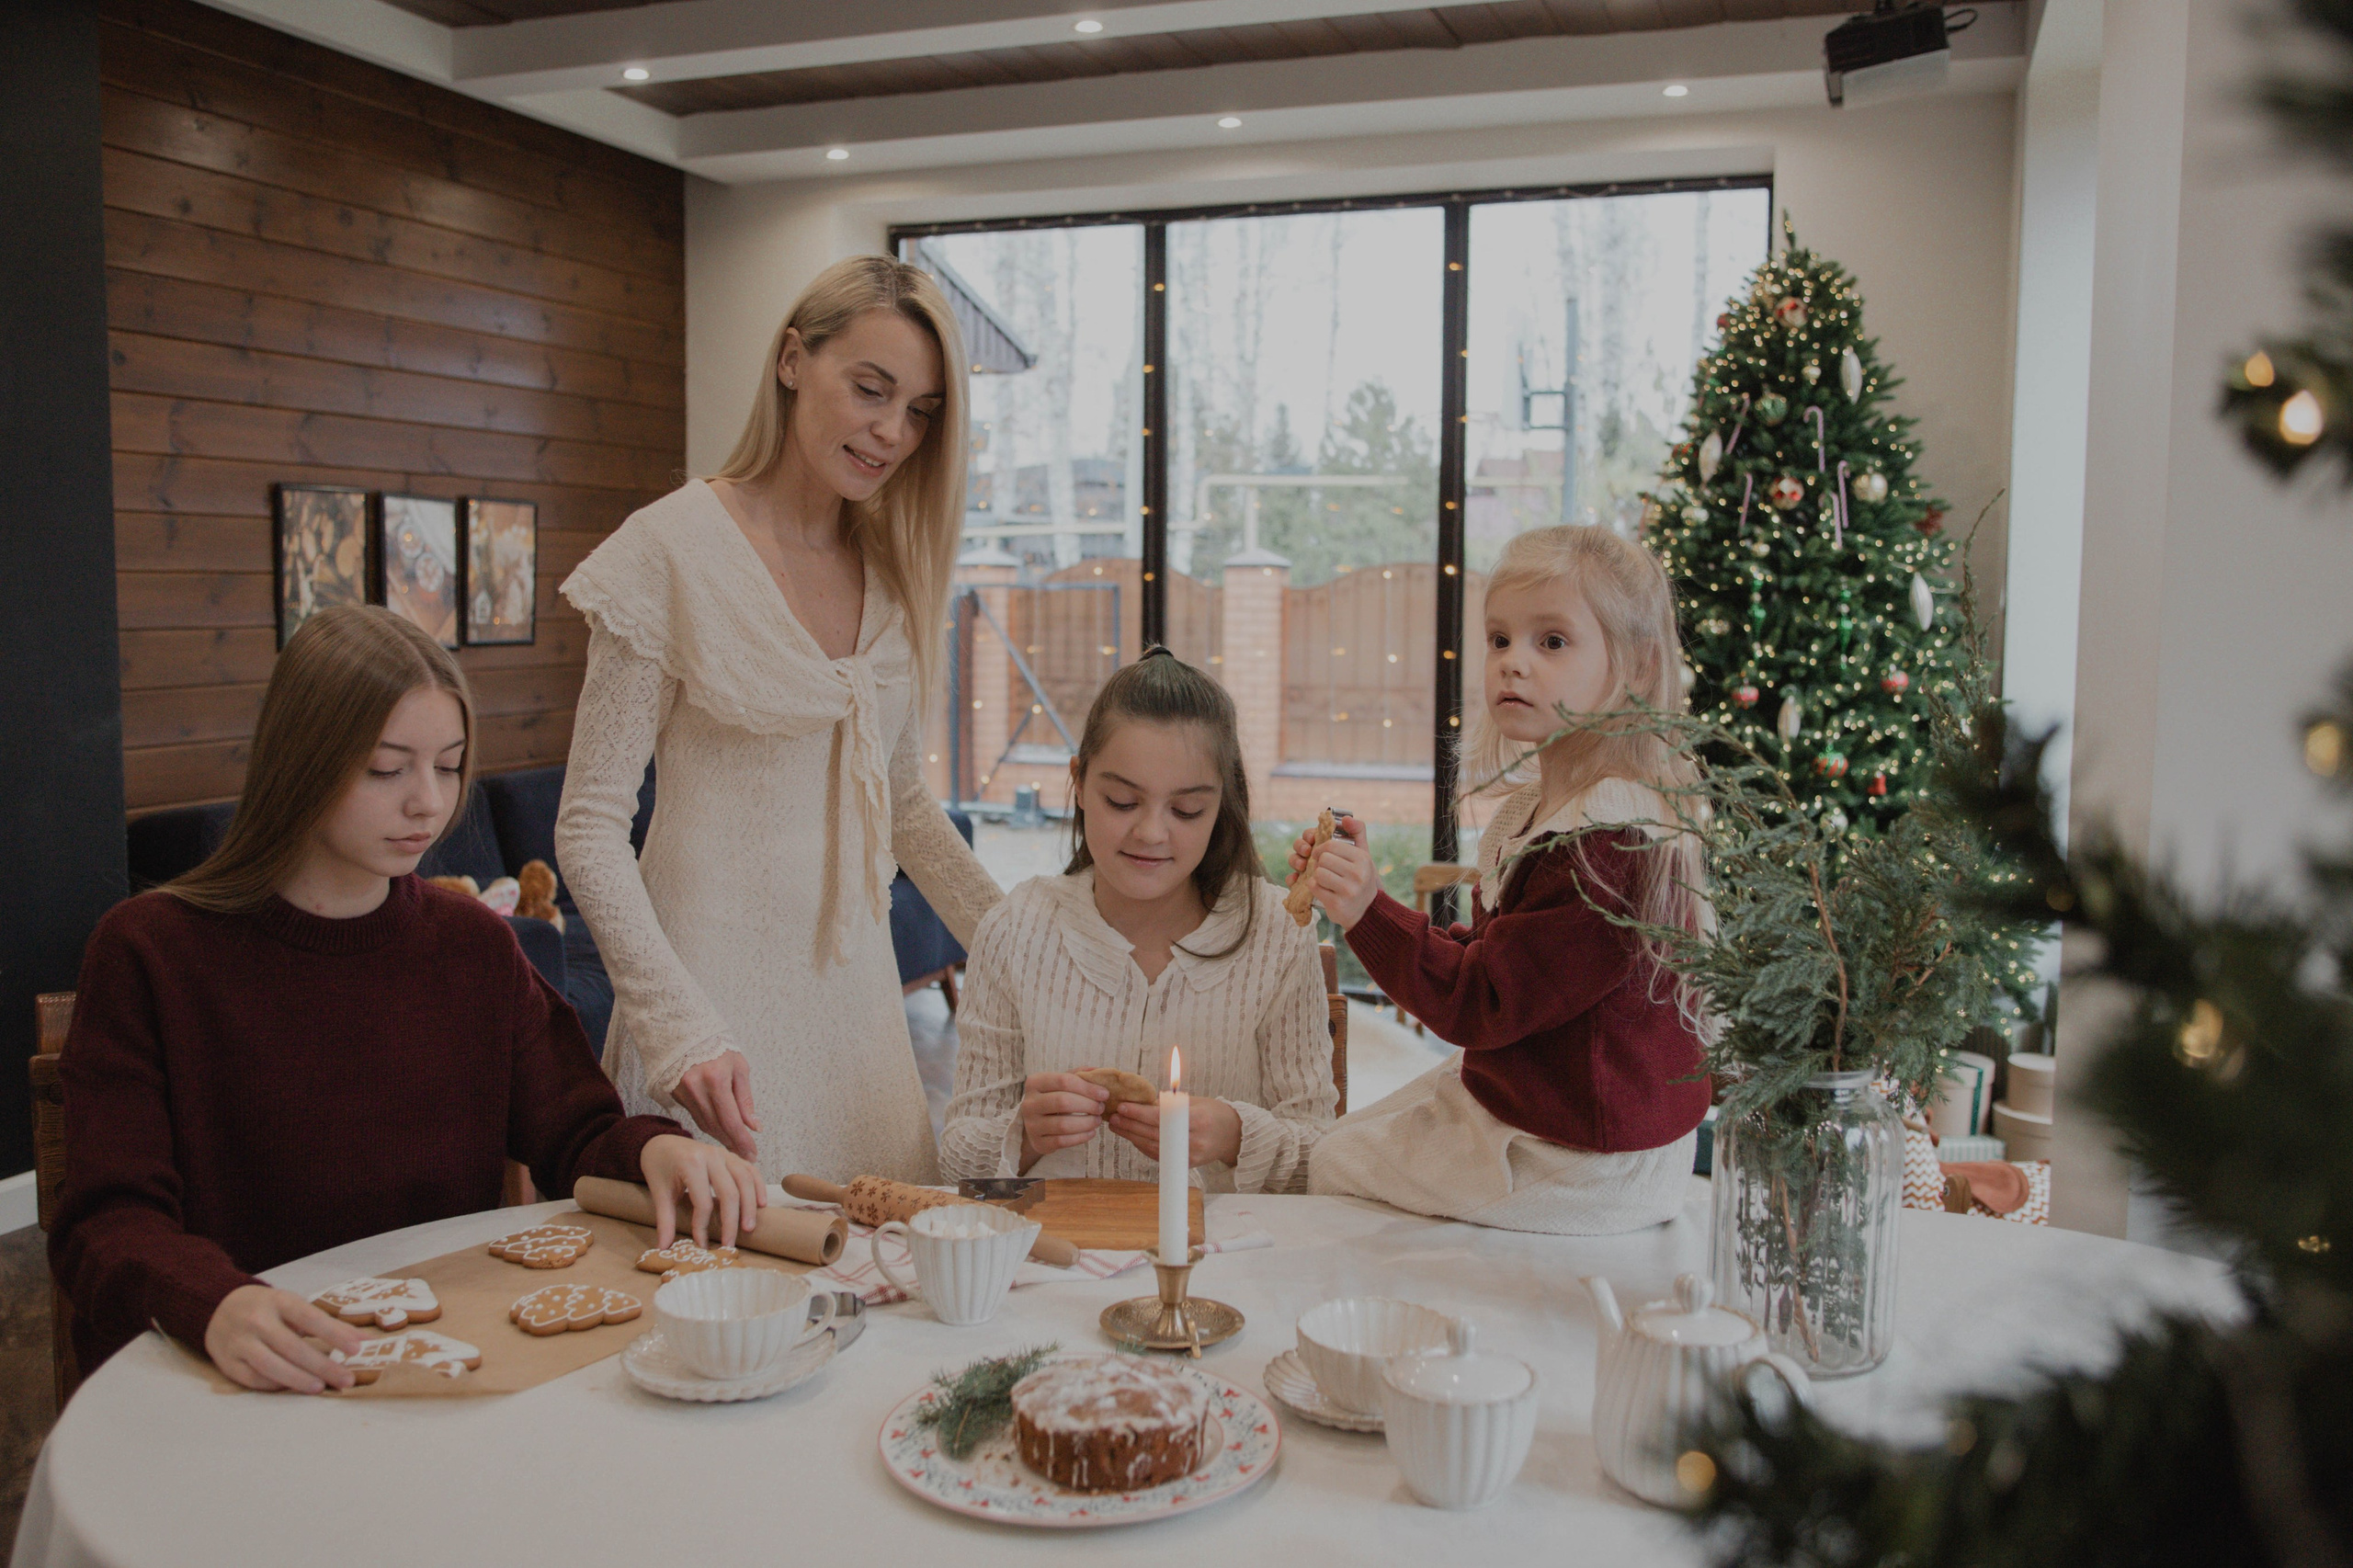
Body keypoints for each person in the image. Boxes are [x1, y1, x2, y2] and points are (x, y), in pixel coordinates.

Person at [51, 608, 759, 1392]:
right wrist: (211, 1303)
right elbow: (108, 1222)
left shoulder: (474, 945)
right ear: (301, 762)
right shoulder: (152, 952)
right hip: (243, 1368)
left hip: (448, 1353)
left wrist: (652, 1148)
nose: (428, 802)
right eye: (387, 770)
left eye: (450, 766)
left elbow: (575, 1132)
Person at [556, 256, 1001, 1184]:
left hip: (858, 1022)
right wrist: (678, 1031)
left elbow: (903, 804)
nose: (891, 431)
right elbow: (590, 824)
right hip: (712, 1028)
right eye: (870, 389)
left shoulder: (892, 568)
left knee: (889, 1303)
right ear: (794, 360)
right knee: (711, 1314)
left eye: (919, 410)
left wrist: (1020, 946)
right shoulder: (667, 552)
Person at [1296, 525, 1711, 1234]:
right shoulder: (1555, 813)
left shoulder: (1610, 842)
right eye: (1499, 640)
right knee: (1351, 1136)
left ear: (1639, 668)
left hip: (1585, 1158)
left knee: (1330, 1165)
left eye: (1551, 642)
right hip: (1557, 1106)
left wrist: (1369, 912)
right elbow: (1512, 960)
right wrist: (1373, 899)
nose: (1513, 663)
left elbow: (1483, 1001)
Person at [939, 650, 1336, 1195]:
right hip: (1054, 1259)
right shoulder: (1016, 930)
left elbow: (1325, 1160)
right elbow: (955, 1165)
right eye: (1122, 801)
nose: (1151, 832)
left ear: (1222, 804)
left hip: (1220, 1263)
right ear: (1078, 784)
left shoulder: (1276, 934)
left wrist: (1236, 1135)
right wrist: (1025, 1135)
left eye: (1186, 811)